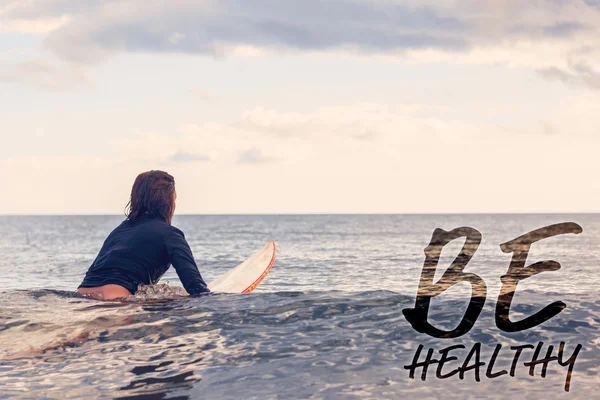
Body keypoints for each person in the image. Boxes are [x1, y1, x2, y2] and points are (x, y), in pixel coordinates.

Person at [77, 170, 210, 300]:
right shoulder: (170, 235)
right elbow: (195, 287)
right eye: (174, 199)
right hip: (118, 301)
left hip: (82, 297)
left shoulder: (119, 231)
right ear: (169, 202)